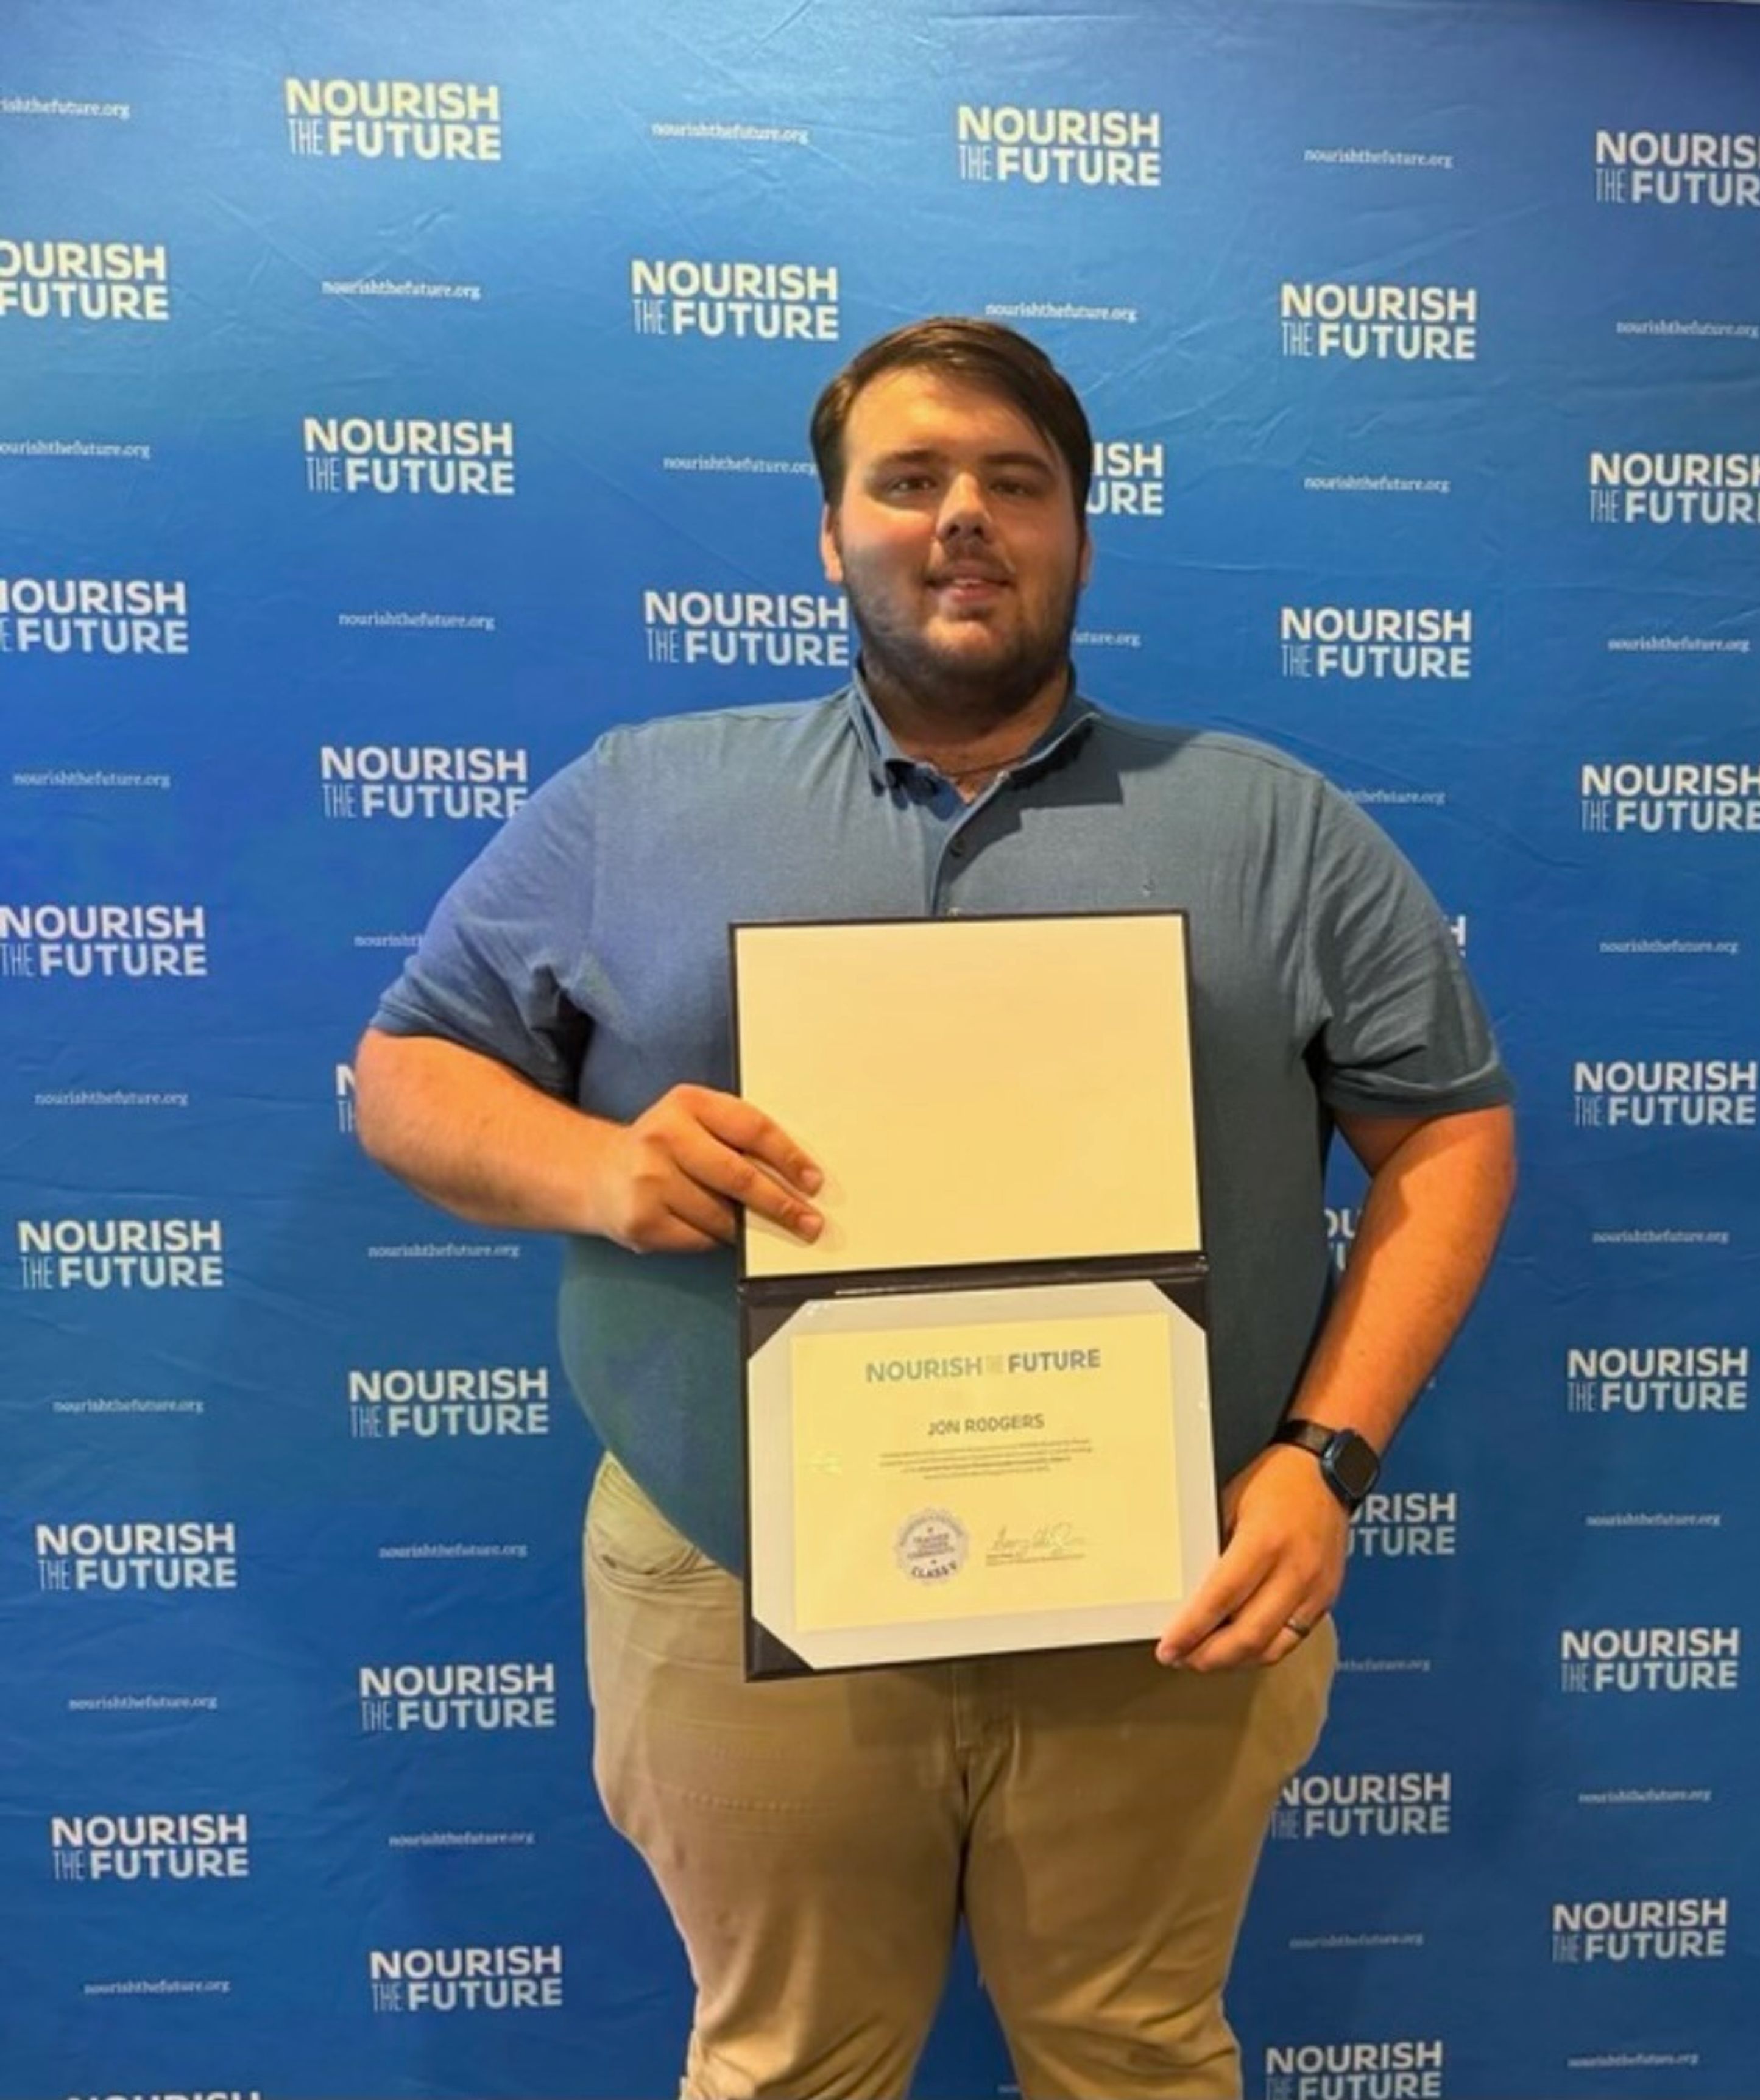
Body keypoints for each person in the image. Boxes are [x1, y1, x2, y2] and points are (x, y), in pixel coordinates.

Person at [353, 317, 1514, 2100]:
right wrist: (602, 1166)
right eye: (909, 482)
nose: (961, 518)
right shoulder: (640, 802)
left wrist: (1327, 1460)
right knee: (789, 2065)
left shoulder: (1271, 827)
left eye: (1014, 483)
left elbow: (1445, 1139)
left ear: (1081, 533)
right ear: (833, 534)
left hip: (1168, 1592)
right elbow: (410, 1073)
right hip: (737, 1582)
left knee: (1134, 2056)